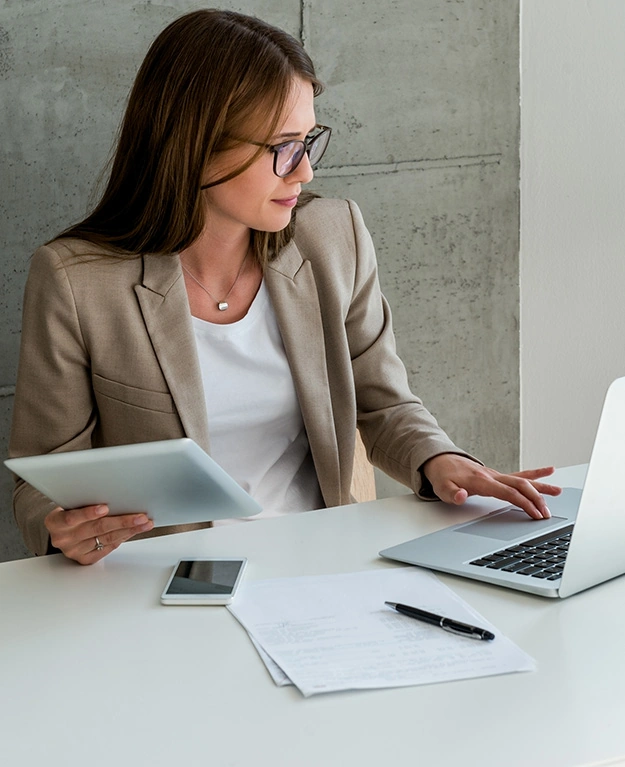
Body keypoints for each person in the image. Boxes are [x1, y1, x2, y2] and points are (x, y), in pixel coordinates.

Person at [8, 9, 560, 565]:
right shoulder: (77, 282)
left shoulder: (333, 237)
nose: (304, 172)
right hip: (167, 586)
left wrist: (440, 461)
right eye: (283, 147)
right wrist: (62, 530)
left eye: (308, 141)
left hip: (328, 562)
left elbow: (384, 402)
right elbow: (42, 479)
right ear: (197, 146)